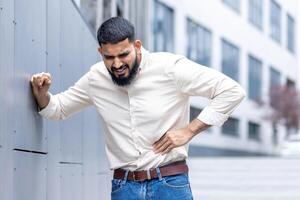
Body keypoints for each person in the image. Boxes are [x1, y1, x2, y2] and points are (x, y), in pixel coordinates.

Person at [31, 17, 245, 199]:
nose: (116, 64)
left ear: (137, 46)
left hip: (170, 184)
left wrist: (189, 131)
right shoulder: (96, 78)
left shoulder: (170, 68)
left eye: (123, 55)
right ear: (100, 52)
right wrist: (42, 94)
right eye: (109, 57)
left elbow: (231, 91)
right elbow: (58, 109)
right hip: (124, 188)